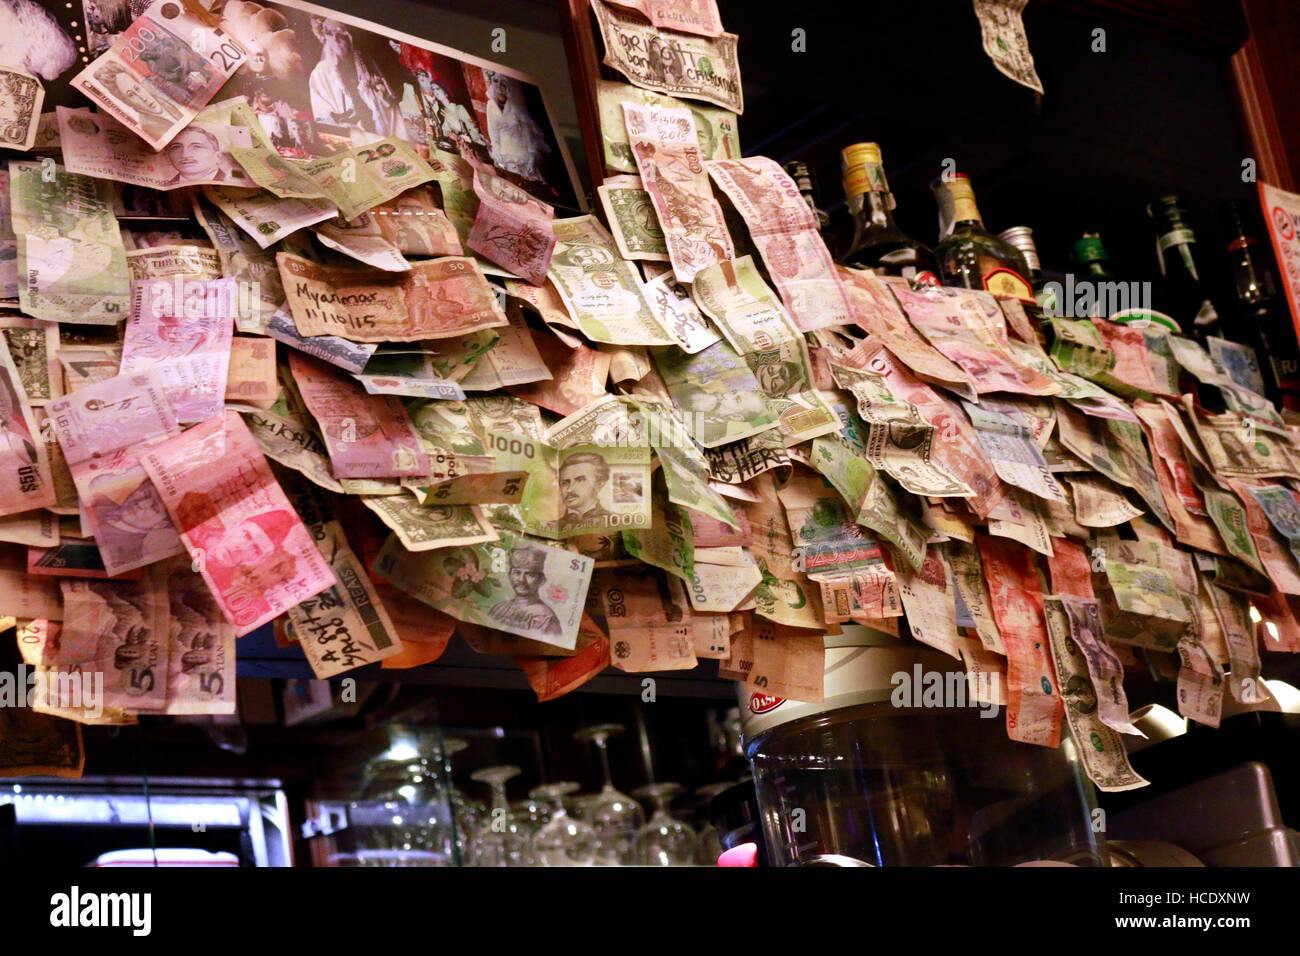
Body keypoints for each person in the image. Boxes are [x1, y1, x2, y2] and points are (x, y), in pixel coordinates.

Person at [308, 16, 407, 139]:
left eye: (341, 34)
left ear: (351, 37)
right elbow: (322, 114)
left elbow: (391, 111)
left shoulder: (369, 66)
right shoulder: (320, 74)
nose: (335, 39)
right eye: (329, 34)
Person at [483, 70, 549, 182]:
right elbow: (493, 133)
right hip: (506, 155)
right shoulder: (491, 106)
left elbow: (527, 130)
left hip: (522, 152)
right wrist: (497, 151)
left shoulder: (516, 105)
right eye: (495, 81)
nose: (498, 86)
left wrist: (532, 156)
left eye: (502, 83)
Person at [490, 546, 561, 637]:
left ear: (541, 580)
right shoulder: (499, 609)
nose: (521, 579)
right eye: (517, 573)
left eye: (530, 574)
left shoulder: (546, 619)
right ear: (509, 576)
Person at [558, 452, 612, 533]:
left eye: (580, 480)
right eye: (565, 483)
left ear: (599, 484)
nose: (569, 489)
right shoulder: (551, 526)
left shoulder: (618, 521)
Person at [161, 125, 232, 185]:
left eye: (197, 147)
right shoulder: (158, 193)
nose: (185, 154)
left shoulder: (232, 183)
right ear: (168, 157)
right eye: (176, 147)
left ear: (218, 156)